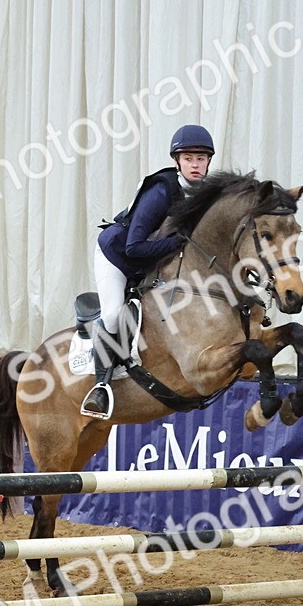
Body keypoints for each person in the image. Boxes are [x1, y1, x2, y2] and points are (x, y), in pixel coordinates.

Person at [81, 124, 215, 419]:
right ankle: (100, 387)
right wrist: (176, 243)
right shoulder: (161, 192)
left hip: (153, 262)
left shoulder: (207, 195)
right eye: (189, 158)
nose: (195, 164)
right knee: (113, 314)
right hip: (118, 256)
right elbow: (134, 248)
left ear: (209, 161)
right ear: (177, 161)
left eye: (201, 158)